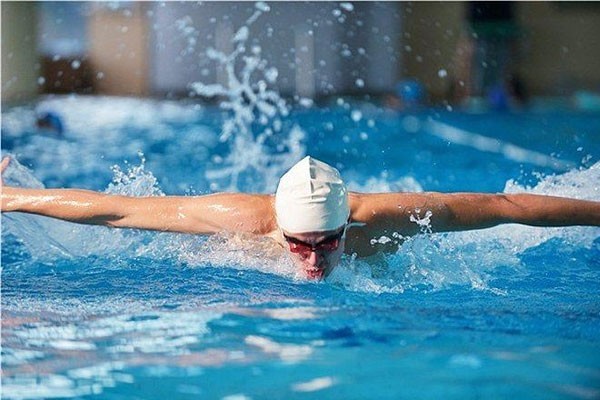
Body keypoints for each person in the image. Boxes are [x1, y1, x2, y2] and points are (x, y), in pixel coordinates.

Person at [2, 156, 599, 280]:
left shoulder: (386, 219)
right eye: (299, 246)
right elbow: (114, 211)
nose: (315, 260)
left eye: (328, 243)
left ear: (349, 227)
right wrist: (8, 198)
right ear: (278, 230)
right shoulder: (238, 222)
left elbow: (505, 209)